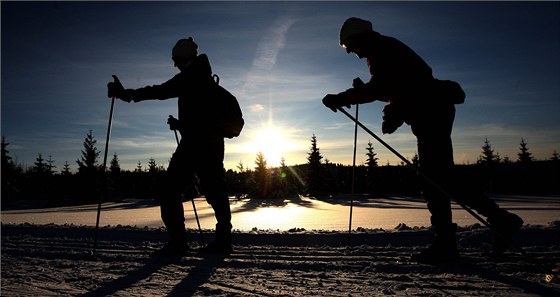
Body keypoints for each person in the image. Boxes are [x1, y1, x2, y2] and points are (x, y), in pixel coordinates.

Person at [323, 17, 523, 264]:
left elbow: (390, 87)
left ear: (359, 37)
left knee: (434, 180)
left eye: (348, 45)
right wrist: (381, 100)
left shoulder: (383, 51)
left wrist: (343, 97)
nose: (351, 52)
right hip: (433, 111)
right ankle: (495, 222)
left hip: (432, 113)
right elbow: (397, 86)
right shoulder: (383, 50)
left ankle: (451, 244)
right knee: (440, 178)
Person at [107, 37, 233, 256]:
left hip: (194, 145)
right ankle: (223, 241)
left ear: (183, 57)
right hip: (211, 144)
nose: (174, 64)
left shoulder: (190, 77)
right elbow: (201, 118)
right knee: (215, 191)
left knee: (170, 190)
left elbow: (159, 91)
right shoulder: (203, 78)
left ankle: (179, 243)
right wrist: (180, 124)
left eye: (175, 59)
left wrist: (125, 94)